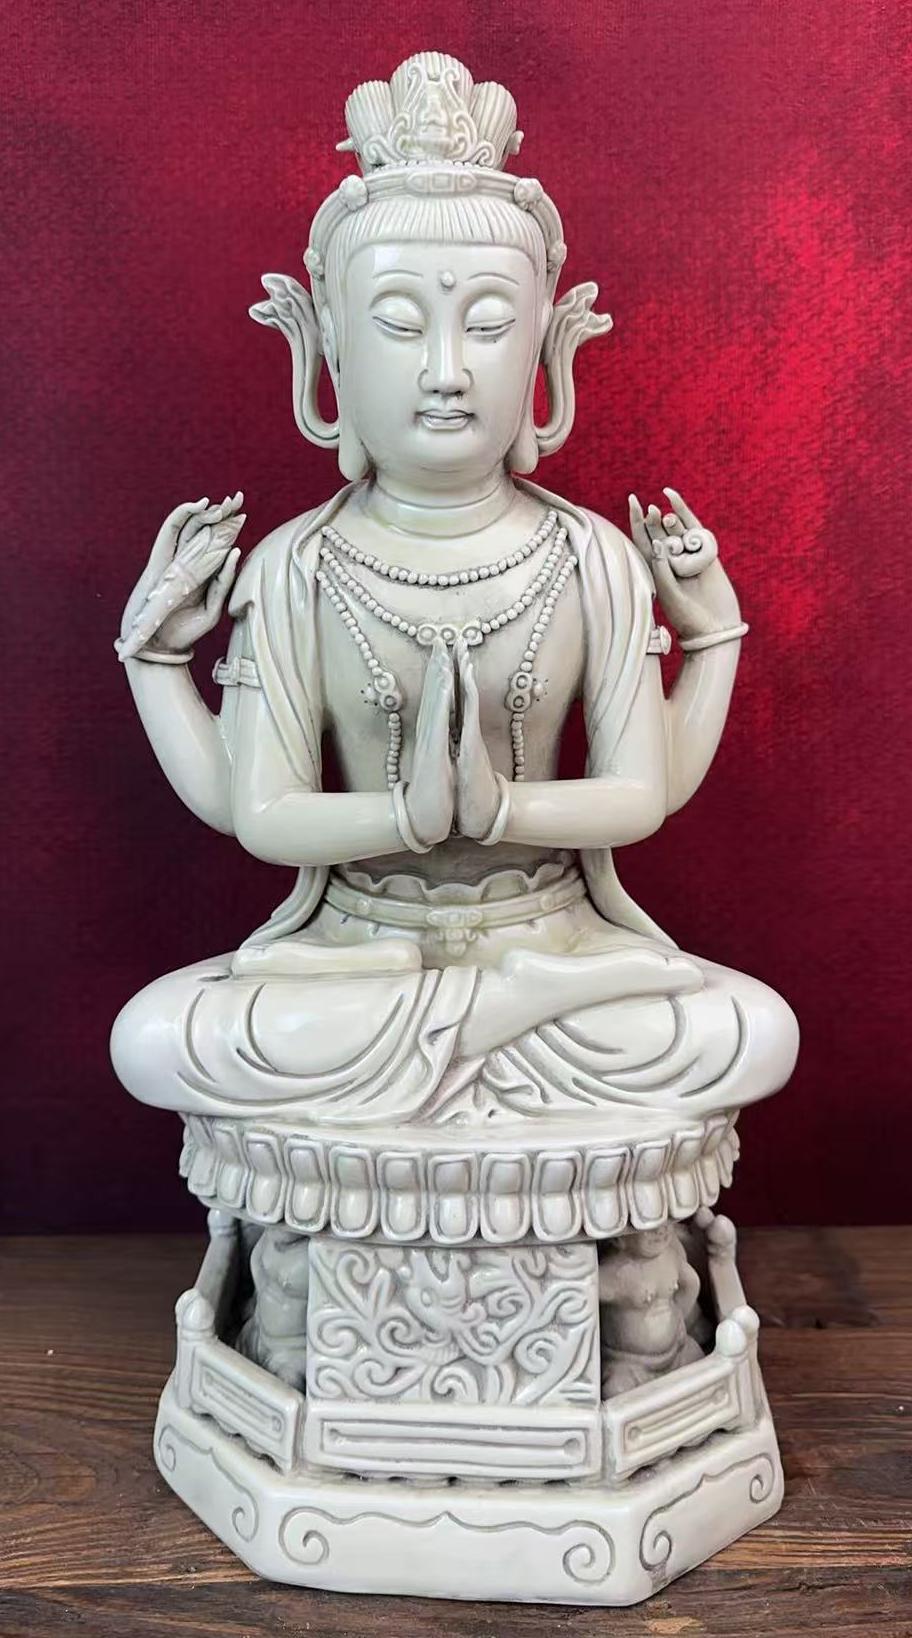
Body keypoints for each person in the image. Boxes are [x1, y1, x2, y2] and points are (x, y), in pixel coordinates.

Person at [111, 51, 797, 1133]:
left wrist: (705, 649)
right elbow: (256, 810)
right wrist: (156, 662)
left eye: (486, 324)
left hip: (552, 931)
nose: (445, 369)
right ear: (328, 353)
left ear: (545, 353)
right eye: (397, 323)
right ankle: (485, 1023)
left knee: (751, 1028)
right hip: (357, 953)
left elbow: (641, 794)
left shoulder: (590, 557)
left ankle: (506, 1012)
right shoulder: (297, 566)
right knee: (155, 1038)